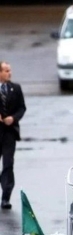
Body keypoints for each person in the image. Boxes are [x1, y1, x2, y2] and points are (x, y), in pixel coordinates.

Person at [0, 61, 26, 209]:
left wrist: (14, 118)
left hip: (10, 132)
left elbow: (22, 107)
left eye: (10, 70)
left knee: (8, 164)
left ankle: (6, 197)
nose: (9, 73)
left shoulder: (15, 88)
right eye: (6, 70)